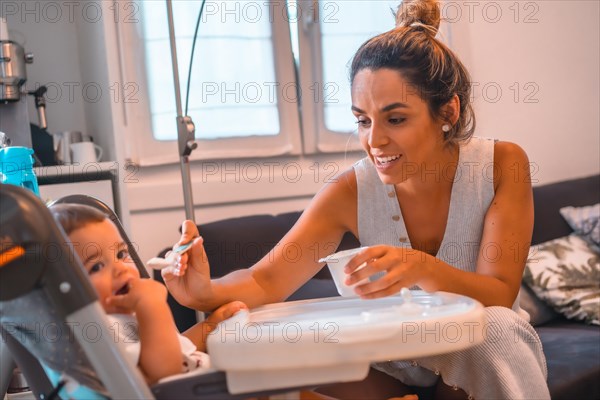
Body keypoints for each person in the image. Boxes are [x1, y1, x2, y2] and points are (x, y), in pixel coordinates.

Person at [162, 0, 550, 398]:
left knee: (499, 327)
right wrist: (204, 292)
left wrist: (419, 267)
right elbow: (265, 281)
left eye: (395, 119)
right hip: (394, 362)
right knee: (268, 363)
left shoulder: (501, 164)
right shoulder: (348, 191)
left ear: (447, 110)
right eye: (363, 120)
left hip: (474, 349)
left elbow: (499, 292)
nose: (374, 140)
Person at [49, 203, 247, 384]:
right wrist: (152, 305)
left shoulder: (124, 315)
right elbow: (164, 371)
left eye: (121, 254)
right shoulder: (98, 330)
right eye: (96, 267)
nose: (121, 268)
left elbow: (176, 350)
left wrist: (211, 325)